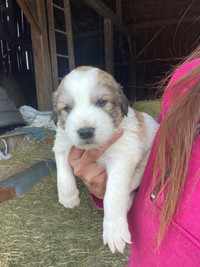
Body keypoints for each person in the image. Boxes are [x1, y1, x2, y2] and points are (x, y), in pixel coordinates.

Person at [67, 46, 200, 266]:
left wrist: (114, 209)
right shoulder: (186, 78)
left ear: (122, 103)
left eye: (101, 102)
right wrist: (109, 189)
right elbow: (154, 168)